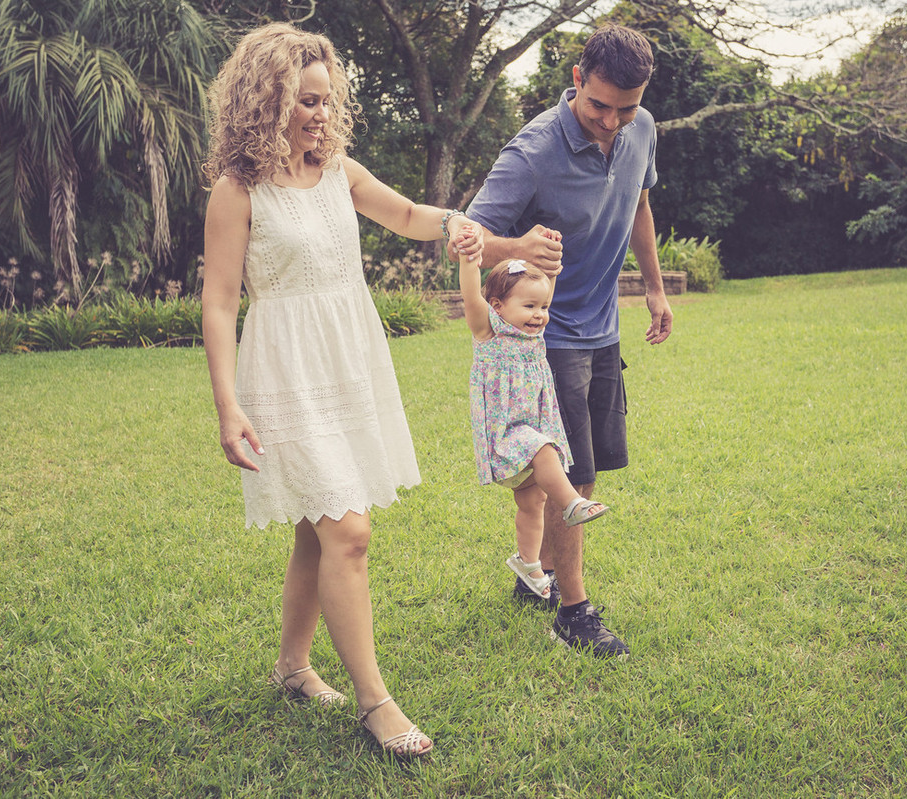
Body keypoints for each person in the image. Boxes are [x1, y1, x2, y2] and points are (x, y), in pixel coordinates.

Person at [201, 22, 479, 758]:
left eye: (327, 99)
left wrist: (459, 225)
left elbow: (411, 217)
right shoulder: (238, 190)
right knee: (348, 532)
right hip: (283, 377)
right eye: (305, 100)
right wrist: (228, 407)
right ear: (267, 101)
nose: (320, 114)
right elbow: (221, 303)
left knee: (313, 528)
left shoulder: (340, 173)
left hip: (347, 367)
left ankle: (293, 667)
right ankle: (375, 702)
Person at [456, 23, 673, 658]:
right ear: (576, 80)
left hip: (603, 324)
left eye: (625, 109)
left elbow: (638, 203)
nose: (611, 122)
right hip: (547, 336)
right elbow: (463, 237)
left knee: (591, 466)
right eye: (599, 105)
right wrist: (517, 247)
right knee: (572, 474)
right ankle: (573, 612)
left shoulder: (643, 129)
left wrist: (654, 288)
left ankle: (538, 578)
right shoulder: (532, 153)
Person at [456, 223, 610, 605]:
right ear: (497, 307)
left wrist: (552, 266)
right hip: (509, 431)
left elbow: (547, 287)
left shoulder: (532, 334)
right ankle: (573, 504)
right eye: (529, 307)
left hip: (535, 423)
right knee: (544, 453)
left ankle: (528, 565)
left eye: (543, 308)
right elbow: (470, 294)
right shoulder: (488, 332)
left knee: (532, 502)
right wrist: (468, 259)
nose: (540, 315)